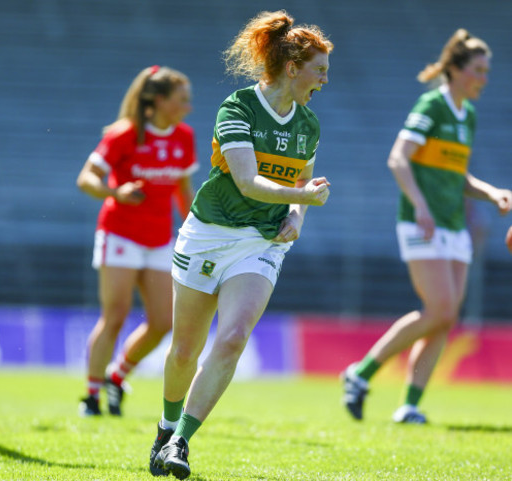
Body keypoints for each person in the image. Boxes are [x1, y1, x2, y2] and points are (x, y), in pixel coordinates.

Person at [148, 10, 333, 479]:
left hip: (260, 242)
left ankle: (181, 442)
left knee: (231, 339)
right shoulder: (237, 108)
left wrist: (297, 214)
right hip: (209, 234)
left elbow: (302, 181)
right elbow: (249, 182)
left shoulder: (308, 125)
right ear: (293, 68)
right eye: (320, 70)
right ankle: (165, 428)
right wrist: (301, 197)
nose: (324, 81)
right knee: (184, 352)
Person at [342, 29, 512, 424]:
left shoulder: (466, 114)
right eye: (478, 70)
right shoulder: (432, 105)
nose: (484, 79)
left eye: (487, 71)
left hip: (454, 225)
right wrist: (420, 206)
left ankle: (410, 406)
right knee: (439, 309)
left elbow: (458, 176)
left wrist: (494, 193)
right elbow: (398, 158)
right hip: (424, 222)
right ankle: (361, 373)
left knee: (445, 316)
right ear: (454, 70)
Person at [76, 65, 197, 416]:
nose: (188, 107)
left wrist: (196, 229)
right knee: (115, 315)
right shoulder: (124, 134)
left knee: (163, 322)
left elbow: (182, 190)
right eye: (181, 100)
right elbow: (86, 179)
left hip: (159, 239)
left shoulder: (184, 136)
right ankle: (91, 396)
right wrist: (115, 191)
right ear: (159, 101)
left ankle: (118, 375)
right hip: (120, 234)